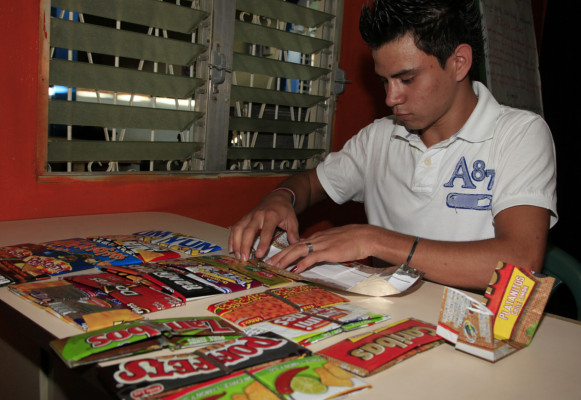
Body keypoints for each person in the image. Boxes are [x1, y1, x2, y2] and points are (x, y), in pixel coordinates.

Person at [228, 0, 557, 291]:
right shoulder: (379, 137)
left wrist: (372, 239)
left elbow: (520, 264)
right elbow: (311, 184)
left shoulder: (520, 134)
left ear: (459, 62)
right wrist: (280, 199)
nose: (391, 98)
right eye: (384, 80)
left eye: (407, 79)